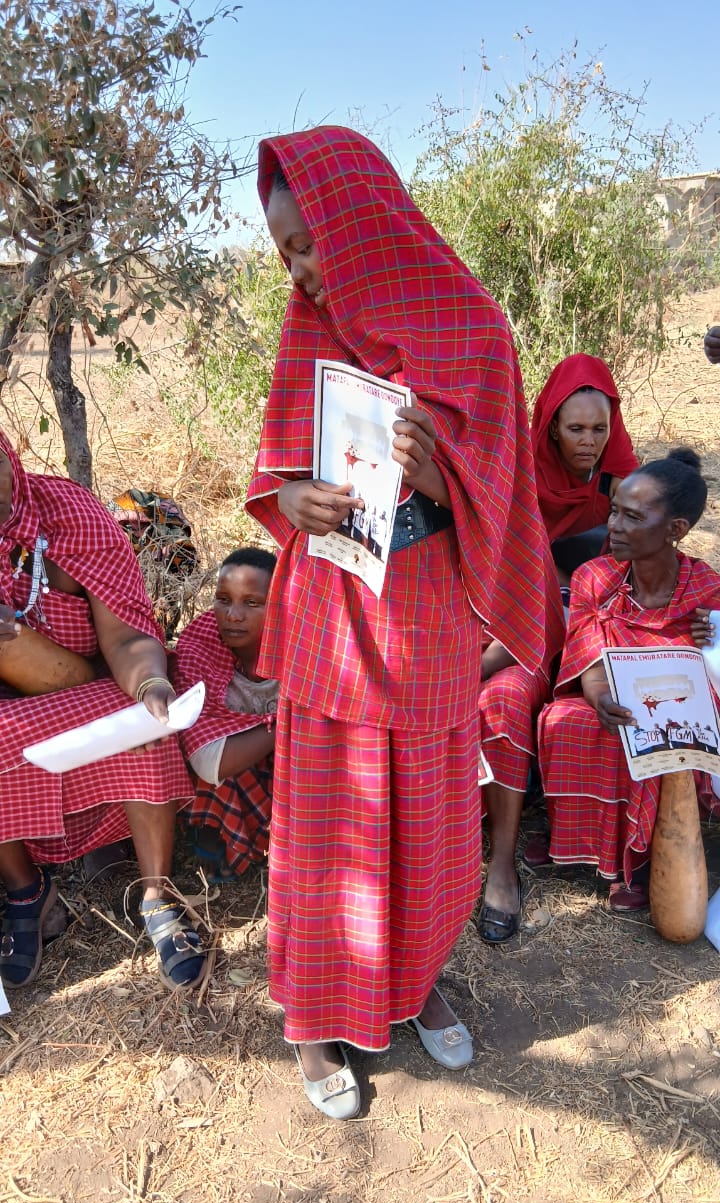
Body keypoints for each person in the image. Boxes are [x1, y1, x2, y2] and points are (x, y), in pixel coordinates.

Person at [245, 125, 550, 1120]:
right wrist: (293, 501)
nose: (300, 272)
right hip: (330, 614)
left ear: (362, 224)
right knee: (327, 830)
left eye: (309, 245)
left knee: (425, 823)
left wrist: (439, 475)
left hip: (424, 624)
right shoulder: (309, 328)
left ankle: (414, 983)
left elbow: (507, 496)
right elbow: (276, 466)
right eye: (285, 252)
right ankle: (312, 1018)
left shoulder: (476, 333)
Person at [0, 432, 206, 991]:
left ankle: (158, 893)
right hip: (12, 711)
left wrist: (151, 684)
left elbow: (127, 638)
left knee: (143, 720)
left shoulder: (68, 515)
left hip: (95, 689)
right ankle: (26, 890)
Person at [536, 448, 720, 912]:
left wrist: (711, 639)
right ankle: (569, 839)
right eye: (615, 510)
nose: (614, 526)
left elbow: (710, 677)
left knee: (655, 735)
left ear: (675, 529)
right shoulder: (594, 578)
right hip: (609, 694)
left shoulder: (706, 591)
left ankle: (637, 858)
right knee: (565, 719)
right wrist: (599, 695)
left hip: (676, 710)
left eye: (632, 517)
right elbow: (588, 655)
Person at [171, 547, 277, 880]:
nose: (233, 615)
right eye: (223, 600)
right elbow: (206, 758)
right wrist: (284, 724)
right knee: (215, 760)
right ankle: (216, 840)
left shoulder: (304, 647)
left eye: (252, 603)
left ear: (282, 605)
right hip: (235, 767)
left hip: (290, 767)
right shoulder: (200, 647)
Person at [477, 550, 565, 943]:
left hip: (510, 656)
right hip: (429, 653)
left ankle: (501, 865)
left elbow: (529, 629)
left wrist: (465, 670)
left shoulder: (512, 531)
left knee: (504, 700)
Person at [531, 354, 638, 602]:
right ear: (554, 428)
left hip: (603, 587)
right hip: (537, 582)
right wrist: (570, 590)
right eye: (576, 429)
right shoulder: (525, 469)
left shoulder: (617, 473)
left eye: (599, 429)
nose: (589, 442)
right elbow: (514, 547)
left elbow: (640, 544)